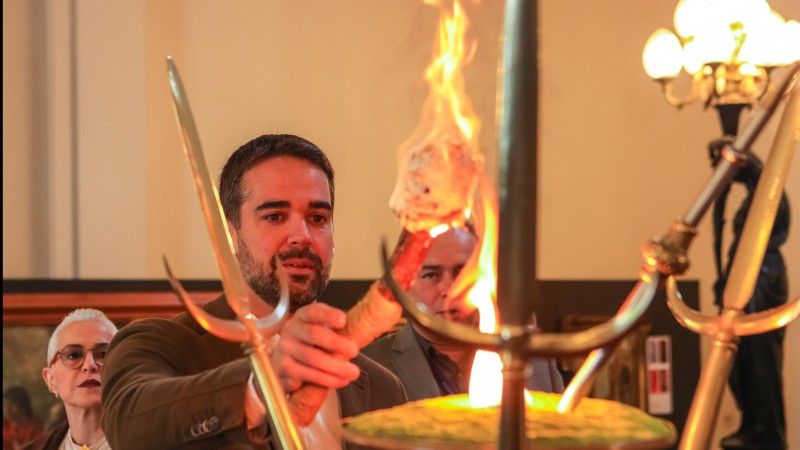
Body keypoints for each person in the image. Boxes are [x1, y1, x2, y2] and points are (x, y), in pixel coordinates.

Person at [101, 134, 406, 449]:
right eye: (274, 216)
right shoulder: (160, 343)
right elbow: (128, 424)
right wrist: (262, 382)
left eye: (318, 218)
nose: (301, 236)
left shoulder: (381, 387)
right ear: (231, 234)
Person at [363, 227, 564, 401]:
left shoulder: (534, 361)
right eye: (431, 275)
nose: (450, 290)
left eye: (462, 273)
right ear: (404, 285)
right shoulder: (369, 367)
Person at [21, 308, 118, 450]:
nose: (89, 365)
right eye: (73, 355)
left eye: (103, 354)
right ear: (50, 379)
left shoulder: (155, 443)